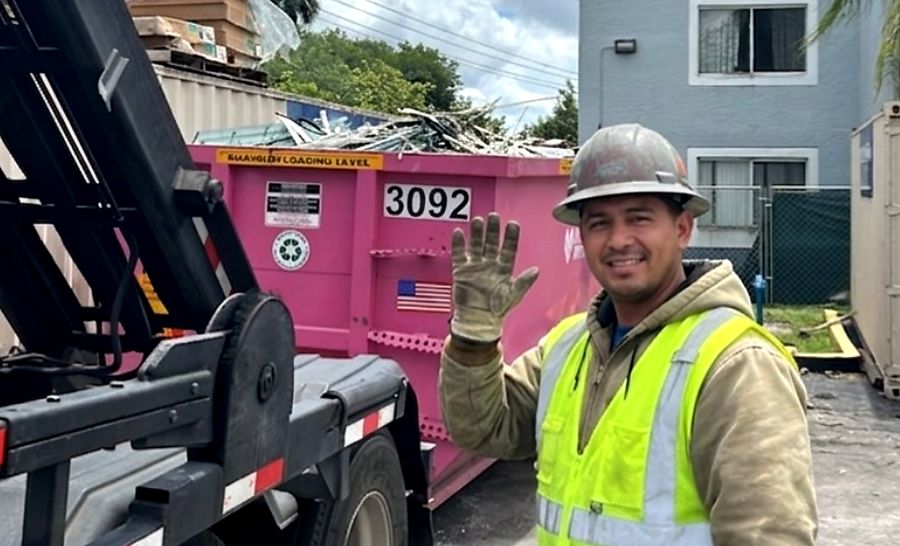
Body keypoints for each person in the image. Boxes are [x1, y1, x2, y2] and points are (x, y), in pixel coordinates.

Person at [438, 123, 818, 546]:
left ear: (682, 228)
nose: (618, 240)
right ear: (582, 236)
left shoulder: (736, 364)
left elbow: (770, 534)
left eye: (639, 218)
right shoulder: (568, 347)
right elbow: (484, 430)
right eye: (599, 223)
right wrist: (473, 338)